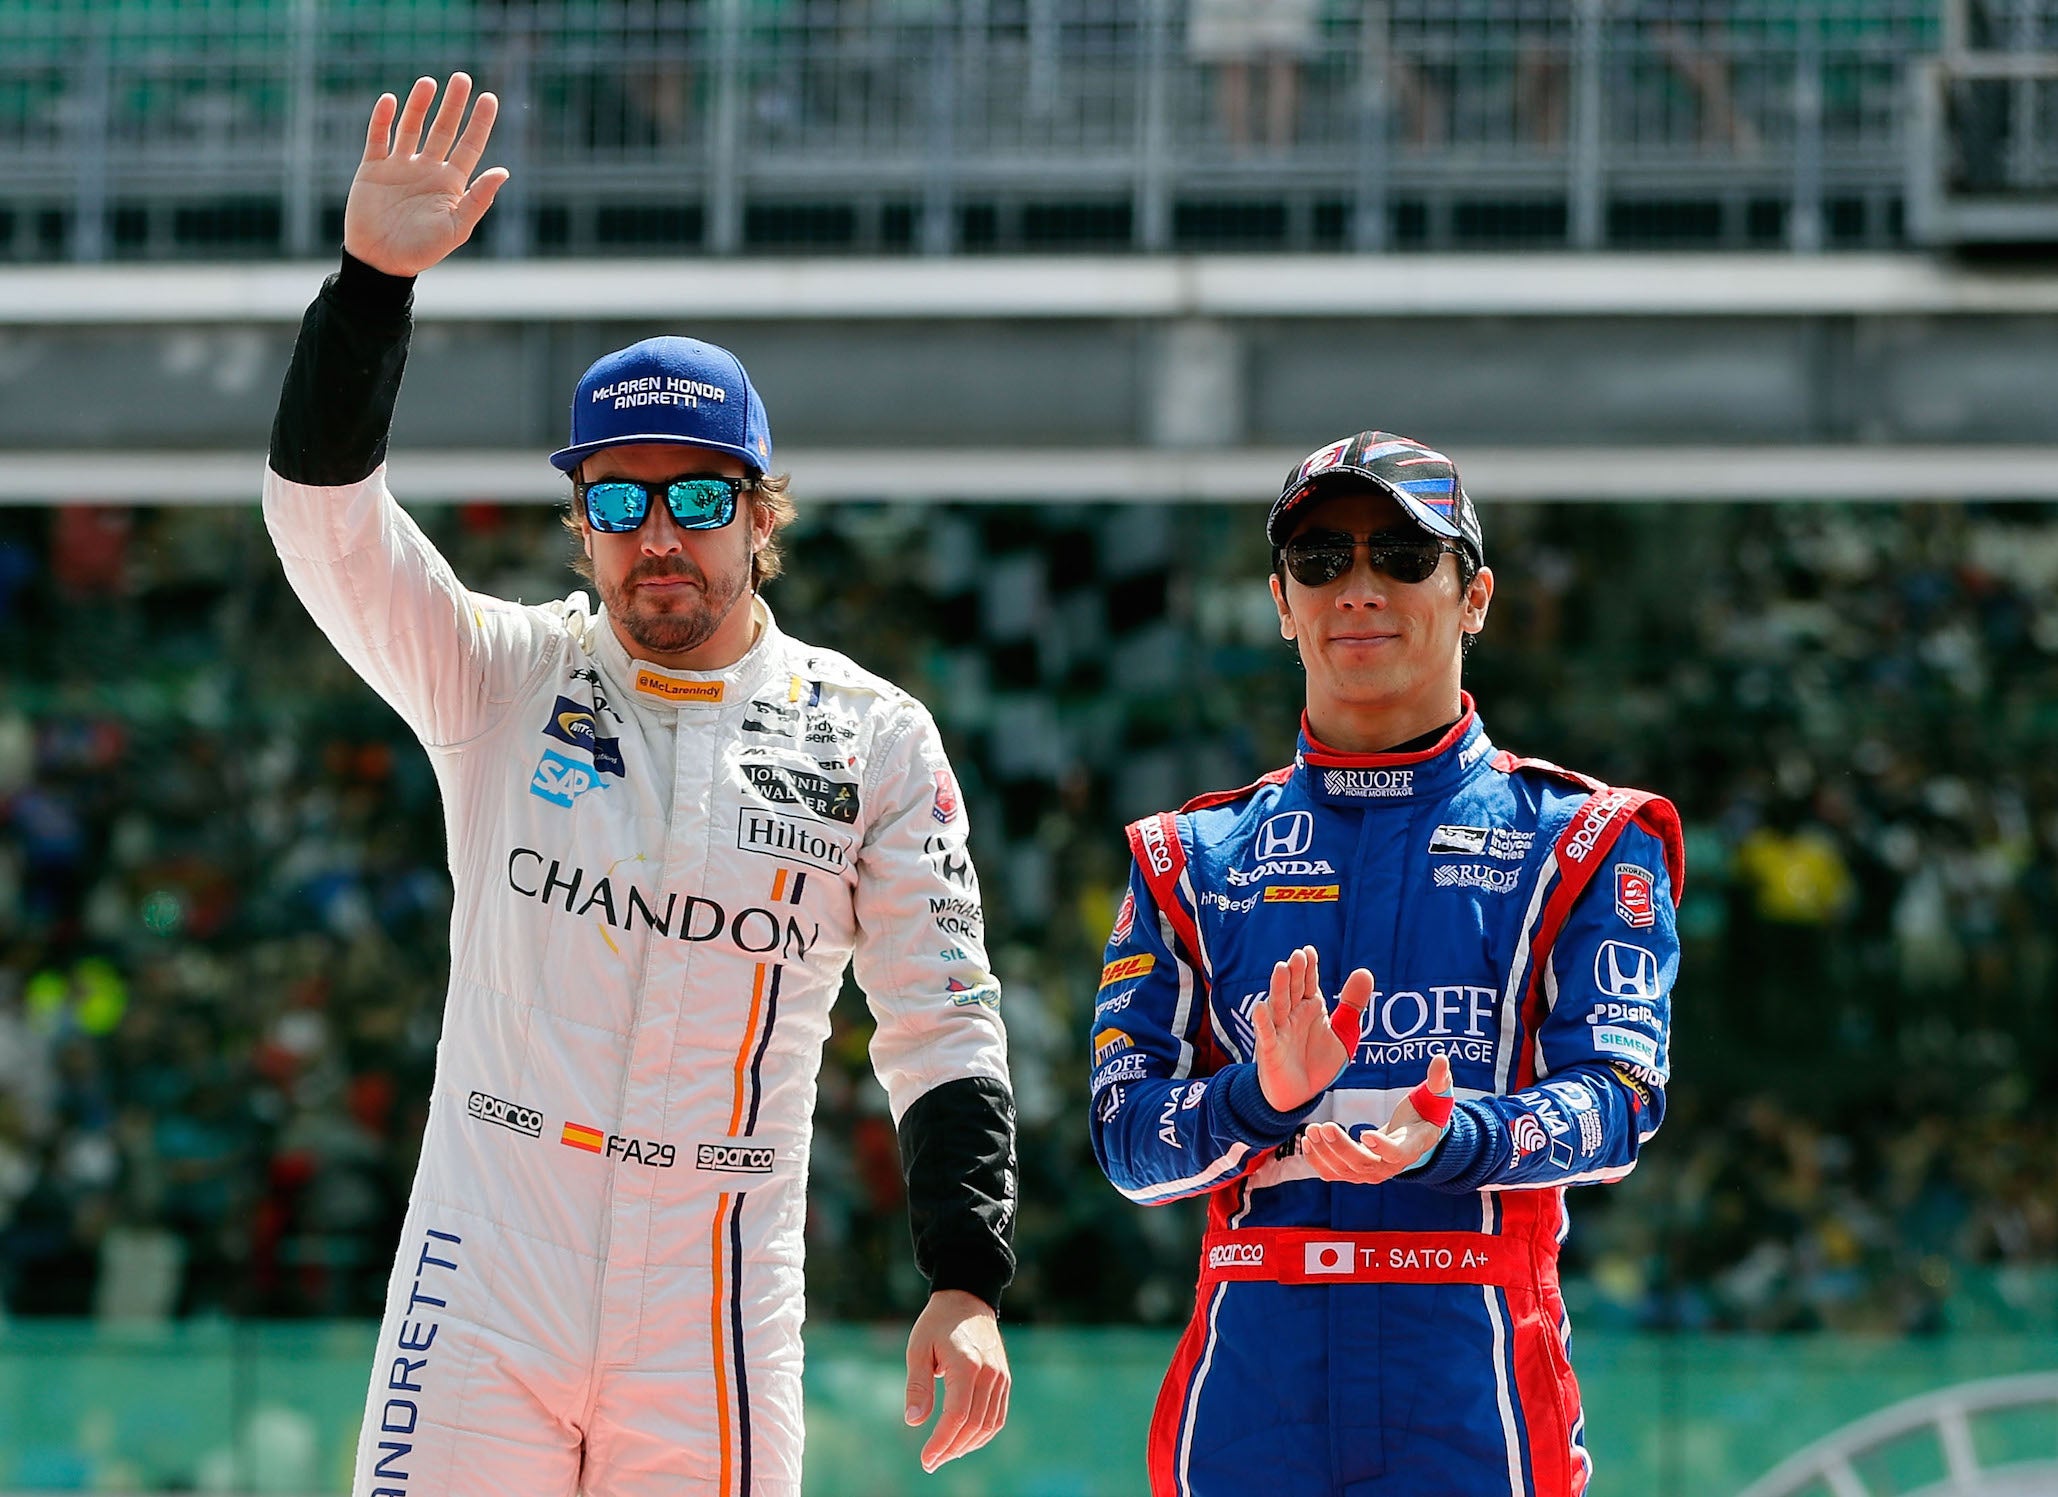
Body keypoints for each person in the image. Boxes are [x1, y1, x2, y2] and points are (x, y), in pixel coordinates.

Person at [263, 74, 1015, 1496]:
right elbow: (321, 525)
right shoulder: (497, 673)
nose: (655, 534)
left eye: (695, 497)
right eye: (617, 500)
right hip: (486, 1250)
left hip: (716, 1279)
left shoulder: (874, 735)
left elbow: (943, 1021)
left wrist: (965, 1276)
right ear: (580, 522)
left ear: (760, 511)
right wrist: (368, 289)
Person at [1089, 431, 1682, 1496]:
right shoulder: (1188, 858)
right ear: (1282, 601)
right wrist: (1258, 1099)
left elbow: (1620, 1105)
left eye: (1403, 557)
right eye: (1321, 561)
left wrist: (1453, 1138)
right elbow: (1127, 1147)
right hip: (1249, 1383)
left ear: (1475, 597)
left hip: (1472, 1367)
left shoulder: (1586, 838)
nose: (1358, 587)